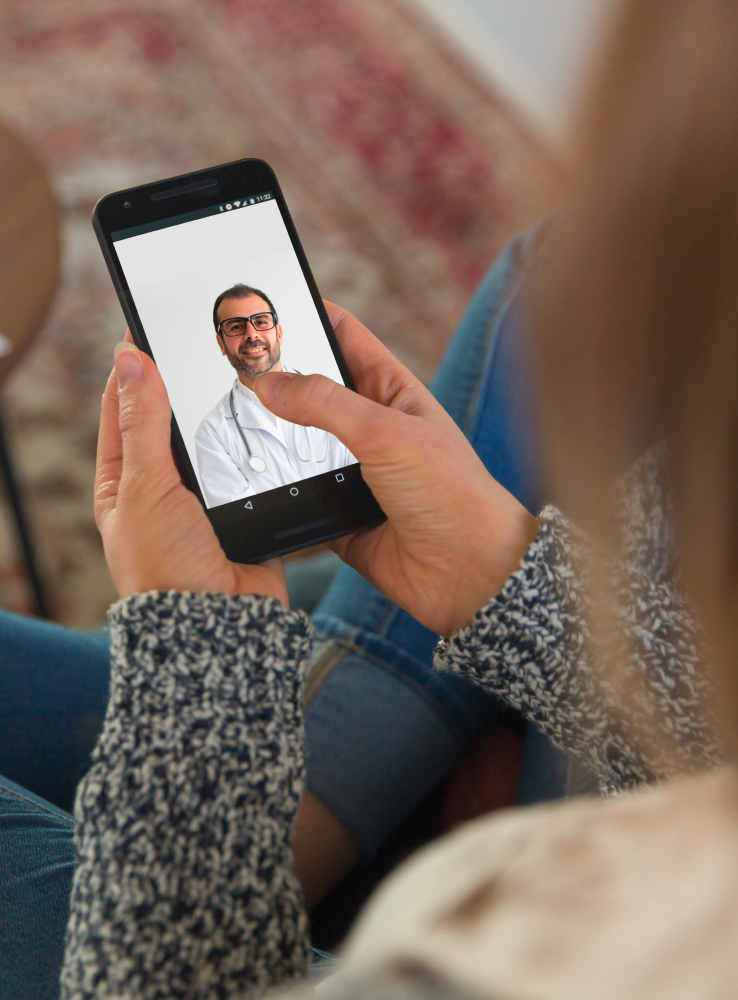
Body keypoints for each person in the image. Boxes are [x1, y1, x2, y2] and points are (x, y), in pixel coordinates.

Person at [57, 0, 738, 996]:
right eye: (237, 330)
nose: (254, 342)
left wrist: (202, 673)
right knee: (551, 273)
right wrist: (500, 578)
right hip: (581, 719)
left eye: (260, 327)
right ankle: (360, 770)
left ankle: (332, 837)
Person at [194, 283, 355, 506]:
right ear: (221, 344)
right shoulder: (212, 432)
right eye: (235, 327)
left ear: (278, 333)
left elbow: (364, 473)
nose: (251, 334)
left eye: (260, 322)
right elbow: (244, 520)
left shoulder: (336, 393)